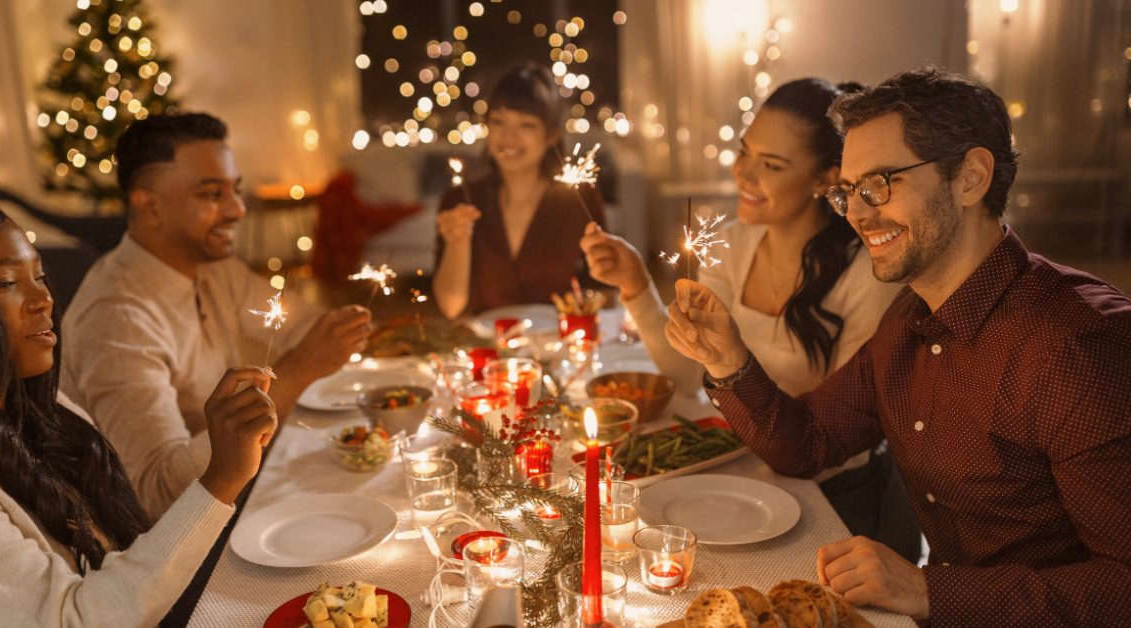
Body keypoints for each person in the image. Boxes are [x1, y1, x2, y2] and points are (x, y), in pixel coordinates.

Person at [666, 67, 1131, 624]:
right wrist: (727, 361)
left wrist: (929, 590)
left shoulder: (1076, 346)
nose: (858, 214)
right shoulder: (909, 318)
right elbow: (808, 444)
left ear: (970, 178)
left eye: (881, 184)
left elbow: (1123, 584)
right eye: (850, 192)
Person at [582, 78, 916, 556]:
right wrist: (636, 286)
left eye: (772, 164)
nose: (744, 173)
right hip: (749, 474)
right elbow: (686, 372)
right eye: (745, 152)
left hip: (837, 498)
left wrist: (734, 368)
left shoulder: (868, 273)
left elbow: (832, 439)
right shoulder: (734, 244)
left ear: (826, 179)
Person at [0, 192, 276, 625]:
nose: (44, 300)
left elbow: (123, 552)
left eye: (40, 276)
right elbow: (75, 619)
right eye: (4, 283)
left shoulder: (46, 409)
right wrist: (220, 479)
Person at [61, 113, 372, 519]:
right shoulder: (116, 318)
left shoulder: (211, 266)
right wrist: (298, 370)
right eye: (212, 195)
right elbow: (157, 495)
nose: (238, 210)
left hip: (243, 492)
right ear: (150, 206)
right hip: (176, 543)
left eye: (235, 191)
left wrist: (359, 331)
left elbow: (303, 325)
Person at [433, 63, 605, 319]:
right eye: (498, 121)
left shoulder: (578, 198)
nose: (508, 136)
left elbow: (603, 286)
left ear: (551, 135)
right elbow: (451, 307)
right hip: (489, 349)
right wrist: (458, 242)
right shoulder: (460, 201)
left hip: (558, 345)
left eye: (526, 125)